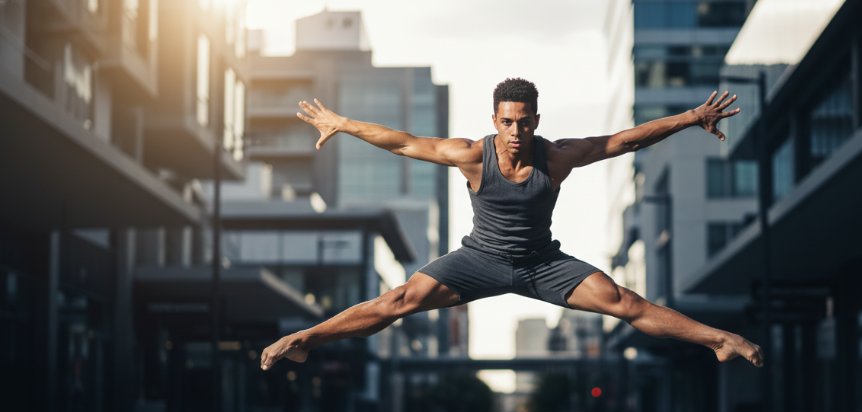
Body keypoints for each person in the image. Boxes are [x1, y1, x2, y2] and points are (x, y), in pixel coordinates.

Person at [261, 78, 763, 371]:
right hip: (477, 260)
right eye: (507, 121)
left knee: (625, 302)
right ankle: (307, 338)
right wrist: (344, 124)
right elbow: (403, 141)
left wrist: (693, 116)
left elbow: (623, 140)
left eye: (524, 121)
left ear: (537, 120)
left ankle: (718, 339)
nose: (515, 131)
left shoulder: (559, 157)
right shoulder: (472, 156)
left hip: (542, 263)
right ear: (495, 119)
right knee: (397, 301)